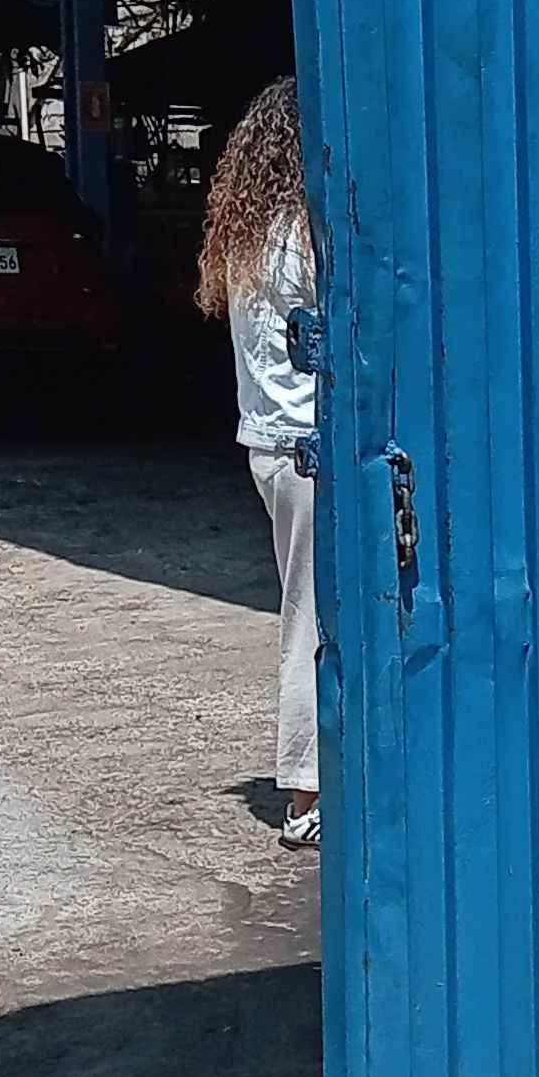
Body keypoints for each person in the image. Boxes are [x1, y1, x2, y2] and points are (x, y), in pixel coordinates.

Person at [196, 75, 320, 850]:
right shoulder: (302, 237)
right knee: (311, 619)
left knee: (306, 607)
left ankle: (318, 780)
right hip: (310, 451)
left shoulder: (246, 237)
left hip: (270, 449)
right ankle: (306, 795)